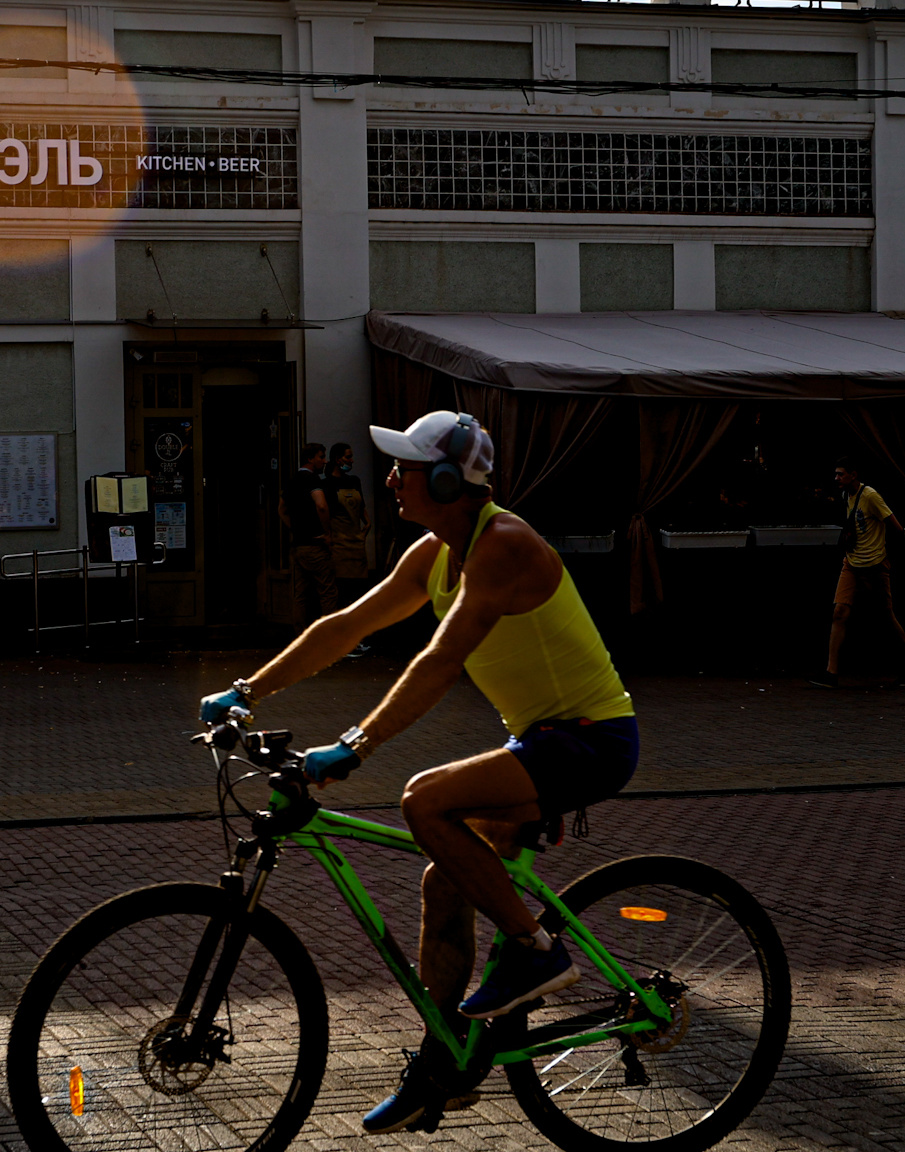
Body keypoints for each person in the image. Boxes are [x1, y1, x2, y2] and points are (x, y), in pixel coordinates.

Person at [201, 411, 637, 1134]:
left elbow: (438, 658)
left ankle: (535, 952)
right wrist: (247, 689)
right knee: (445, 877)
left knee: (424, 802)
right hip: (540, 740)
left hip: (590, 740)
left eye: (406, 467)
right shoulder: (434, 552)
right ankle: (447, 1065)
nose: (392, 478)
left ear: (445, 480)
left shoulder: (502, 544)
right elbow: (347, 626)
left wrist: (358, 744)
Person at [809, 457, 905, 689]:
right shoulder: (846, 496)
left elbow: (896, 527)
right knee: (840, 611)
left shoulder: (870, 496)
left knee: (887, 618)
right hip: (852, 562)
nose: (836, 478)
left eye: (841, 474)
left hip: (875, 564)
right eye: (836, 474)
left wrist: (884, 553)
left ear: (853, 475)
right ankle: (831, 672)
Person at [324, 442, 373, 655]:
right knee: (342, 593)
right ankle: (343, 642)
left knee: (358, 593)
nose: (351, 461)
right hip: (340, 545)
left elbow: (362, 508)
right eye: (348, 457)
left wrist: (367, 524)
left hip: (356, 543)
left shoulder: (354, 481)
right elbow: (324, 512)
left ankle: (356, 638)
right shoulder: (326, 485)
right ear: (337, 459)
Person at [283, 442, 338, 626]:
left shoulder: (292, 480)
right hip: (316, 544)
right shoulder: (313, 479)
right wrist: (328, 533)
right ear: (310, 459)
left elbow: (281, 509)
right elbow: (321, 505)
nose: (324, 461)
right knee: (328, 593)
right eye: (321, 457)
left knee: (300, 595)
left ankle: (299, 639)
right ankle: (331, 639)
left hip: (299, 545)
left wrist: (296, 528)